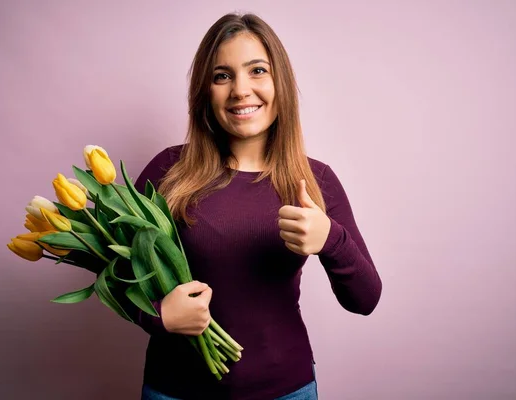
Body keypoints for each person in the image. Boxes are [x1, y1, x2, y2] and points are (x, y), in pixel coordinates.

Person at [130, 12, 382, 400]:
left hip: (286, 390)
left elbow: (365, 299)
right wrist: (158, 316)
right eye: (222, 76)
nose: (241, 90)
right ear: (205, 92)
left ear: (280, 82)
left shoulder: (315, 181)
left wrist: (331, 239)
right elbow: (113, 275)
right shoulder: (169, 171)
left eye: (258, 70)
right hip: (175, 391)